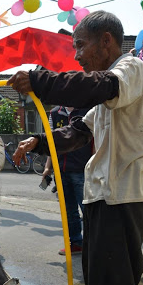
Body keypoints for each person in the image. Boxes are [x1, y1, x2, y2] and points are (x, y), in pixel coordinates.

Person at [9, 11, 143, 285]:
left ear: (106, 41)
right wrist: (38, 141)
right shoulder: (107, 94)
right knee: (99, 281)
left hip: (123, 198)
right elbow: (75, 133)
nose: (77, 56)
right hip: (103, 198)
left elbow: (96, 86)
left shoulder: (130, 72)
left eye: (81, 46)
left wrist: (40, 79)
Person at [42, 106, 93, 256]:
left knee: (88, 210)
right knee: (69, 211)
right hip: (61, 170)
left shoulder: (87, 110)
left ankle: (93, 245)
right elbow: (51, 142)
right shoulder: (54, 113)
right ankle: (76, 243)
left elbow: (96, 139)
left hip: (82, 169)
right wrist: (47, 167)